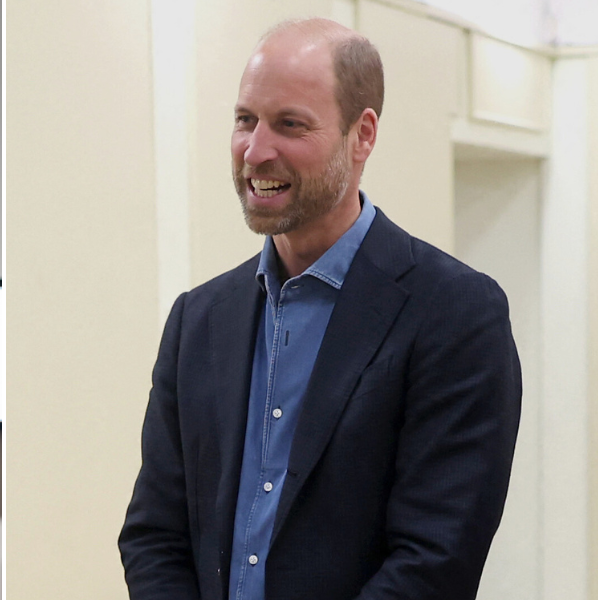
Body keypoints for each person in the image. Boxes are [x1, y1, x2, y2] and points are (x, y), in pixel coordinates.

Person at [118, 18, 521, 600]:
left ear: (362, 135)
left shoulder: (456, 313)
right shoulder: (198, 320)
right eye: (245, 120)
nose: (256, 150)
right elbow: (154, 535)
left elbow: (436, 558)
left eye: (290, 124)